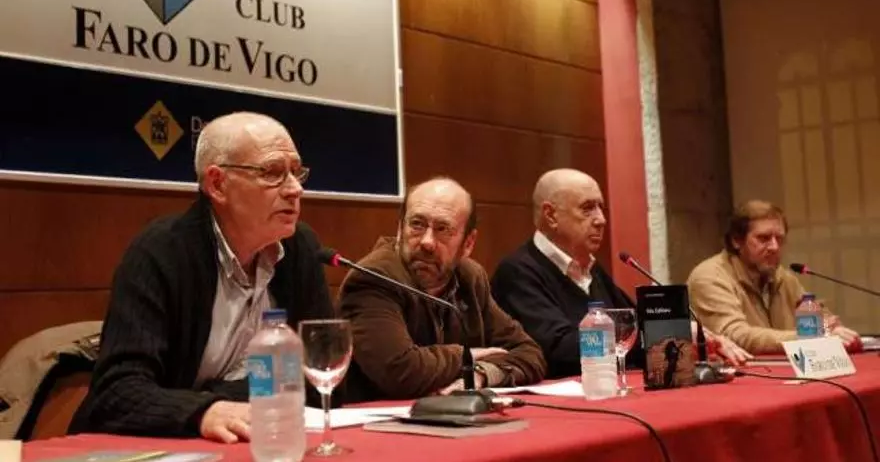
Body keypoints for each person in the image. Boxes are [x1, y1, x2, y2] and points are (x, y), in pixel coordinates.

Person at [69, 112, 335, 442]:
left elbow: (319, 371)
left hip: (252, 440)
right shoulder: (161, 252)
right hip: (146, 446)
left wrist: (221, 395)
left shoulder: (299, 248)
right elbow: (117, 391)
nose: (295, 189)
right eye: (272, 173)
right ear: (217, 184)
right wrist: (203, 410)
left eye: (296, 172)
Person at [491, 169, 752, 379]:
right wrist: (664, 338)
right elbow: (561, 349)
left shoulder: (591, 270)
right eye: (587, 208)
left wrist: (694, 336)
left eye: (601, 208)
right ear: (551, 215)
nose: (601, 219)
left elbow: (634, 324)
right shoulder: (517, 273)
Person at [338, 177, 546, 402]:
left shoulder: (470, 278)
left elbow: (529, 353)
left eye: (442, 229)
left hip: (449, 415)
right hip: (376, 419)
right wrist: (465, 357)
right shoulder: (373, 278)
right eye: (417, 224)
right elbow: (400, 372)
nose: (427, 242)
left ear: (468, 243)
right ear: (399, 229)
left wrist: (482, 374)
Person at [687, 200, 860, 354]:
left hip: (785, 370)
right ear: (736, 241)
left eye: (779, 239)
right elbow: (736, 335)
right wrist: (811, 337)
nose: (774, 247)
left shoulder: (782, 277)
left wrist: (831, 329)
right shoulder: (710, 277)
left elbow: (821, 320)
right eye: (763, 238)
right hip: (738, 376)